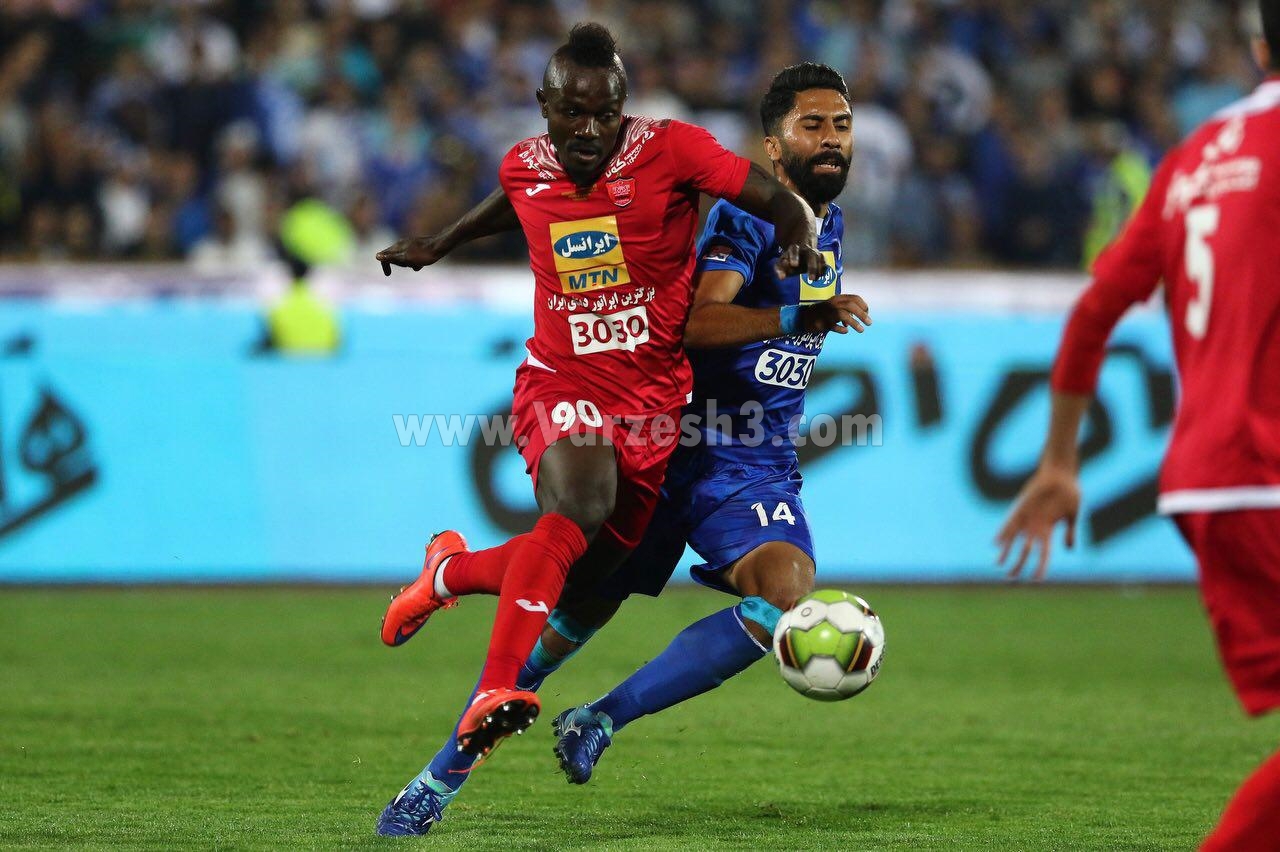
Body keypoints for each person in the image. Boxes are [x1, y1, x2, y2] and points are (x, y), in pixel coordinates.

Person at [374, 26, 861, 836]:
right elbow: (696, 318)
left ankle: (541, 663)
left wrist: (802, 252)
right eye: (813, 126)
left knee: (763, 595)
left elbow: (529, 194)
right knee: (566, 577)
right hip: (635, 417)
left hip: (710, 442)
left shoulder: (801, 218)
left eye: (841, 125)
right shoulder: (740, 223)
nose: (832, 139)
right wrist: (794, 307)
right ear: (774, 143)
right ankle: (439, 776)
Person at [996, 5, 1280, 849]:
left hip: (1209, 477)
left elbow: (1095, 311)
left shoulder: (1196, 154)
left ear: (1257, 46)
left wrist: (1059, 460)